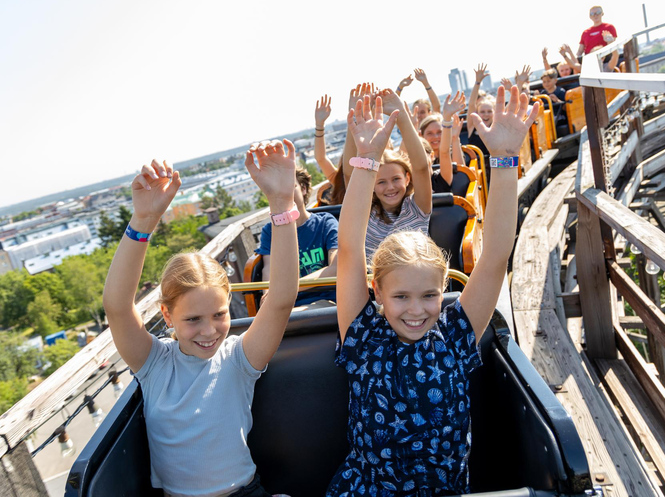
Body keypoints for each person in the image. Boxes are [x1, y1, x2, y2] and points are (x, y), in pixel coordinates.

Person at [327, 87, 539, 496]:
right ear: (377, 293)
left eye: (429, 296)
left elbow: (496, 254)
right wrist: (365, 161)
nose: (416, 310)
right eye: (401, 297)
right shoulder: (364, 337)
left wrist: (505, 159)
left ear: (444, 289)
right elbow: (351, 249)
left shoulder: (455, 333)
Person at [103, 143, 300, 497]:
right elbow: (117, 307)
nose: (209, 331)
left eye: (219, 315)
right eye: (193, 319)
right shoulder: (154, 365)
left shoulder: (238, 359)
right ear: (167, 314)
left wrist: (282, 203)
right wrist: (143, 222)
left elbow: (281, 298)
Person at [357, 88, 433, 261]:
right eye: (381, 182)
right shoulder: (367, 212)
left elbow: (421, 167)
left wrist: (401, 115)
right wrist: (356, 120)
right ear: (372, 186)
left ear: (407, 179)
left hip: (414, 275)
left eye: (396, 179)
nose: (390, 187)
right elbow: (348, 175)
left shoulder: (416, 207)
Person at [256, 166, 338, 308]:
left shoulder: (325, 223)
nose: (284, 195)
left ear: (303, 189)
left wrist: (286, 289)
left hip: (326, 300)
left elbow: (336, 268)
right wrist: (269, 298)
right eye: (277, 191)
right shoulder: (270, 231)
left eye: (289, 187)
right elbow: (269, 269)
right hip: (288, 305)